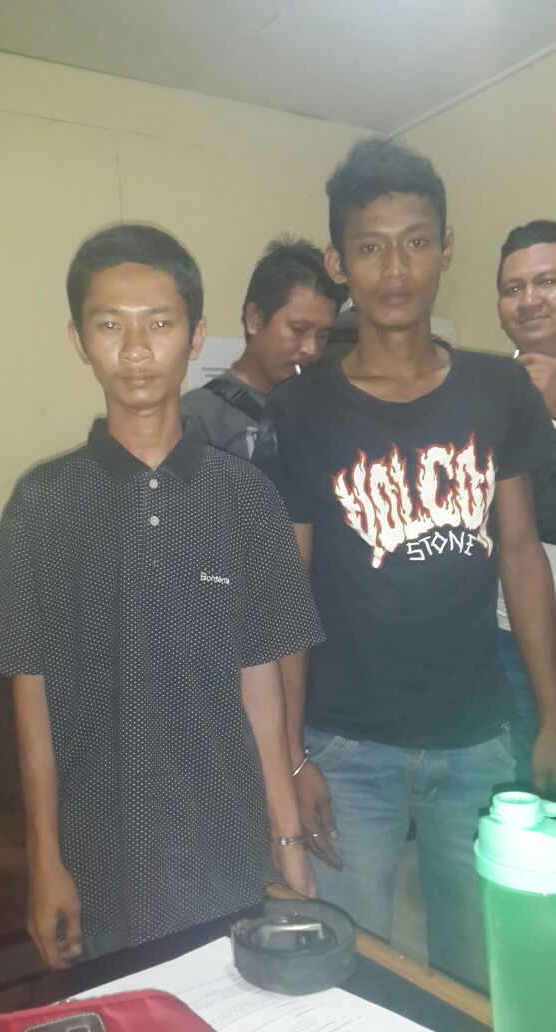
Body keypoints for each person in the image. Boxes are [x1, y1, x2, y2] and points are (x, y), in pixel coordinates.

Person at [0, 224, 322, 970]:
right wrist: (44, 858)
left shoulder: (246, 499)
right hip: (99, 850)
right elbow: (30, 693)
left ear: (196, 338)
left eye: (159, 324)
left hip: (227, 840)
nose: (135, 350)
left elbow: (260, 678)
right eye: (110, 326)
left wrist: (285, 832)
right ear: (78, 340)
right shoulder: (42, 505)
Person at [254, 139, 556, 989]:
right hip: (348, 748)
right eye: (370, 246)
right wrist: (293, 757)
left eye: (416, 242)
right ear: (338, 262)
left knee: (484, 973)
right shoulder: (302, 407)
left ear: (445, 248)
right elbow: (287, 591)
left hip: (477, 742)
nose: (395, 269)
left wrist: (550, 710)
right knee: (353, 975)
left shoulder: (497, 390)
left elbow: (520, 555)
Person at [181, 238, 345, 458]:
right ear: (255, 319)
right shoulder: (199, 418)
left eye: (322, 335)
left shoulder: (325, 408)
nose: (311, 349)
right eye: (298, 329)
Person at [496, 220, 556, 784]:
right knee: (522, 803)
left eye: (547, 281)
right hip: (507, 642)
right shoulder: (486, 395)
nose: (529, 299)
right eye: (513, 288)